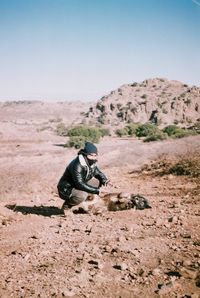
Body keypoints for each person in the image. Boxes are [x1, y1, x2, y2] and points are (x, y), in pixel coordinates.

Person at [57, 141, 109, 209]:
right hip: (66, 188)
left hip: (77, 185)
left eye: (95, 155)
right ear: (85, 154)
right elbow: (80, 184)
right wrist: (97, 191)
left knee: (96, 182)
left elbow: (97, 173)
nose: (93, 158)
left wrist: (105, 180)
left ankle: (87, 204)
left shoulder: (90, 163)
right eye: (91, 155)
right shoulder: (77, 165)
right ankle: (67, 206)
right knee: (81, 196)